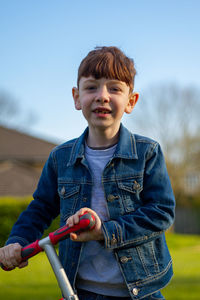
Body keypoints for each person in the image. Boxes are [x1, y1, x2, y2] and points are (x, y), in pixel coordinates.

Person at [0, 46, 175, 299]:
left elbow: (161, 212)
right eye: (92, 87)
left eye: (114, 88)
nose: (102, 96)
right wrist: (16, 240)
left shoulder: (147, 153)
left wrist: (105, 231)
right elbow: (40, 208)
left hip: (140, 289)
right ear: (76, 97)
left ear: (131, 101)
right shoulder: (61, 158)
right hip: (80, 290)